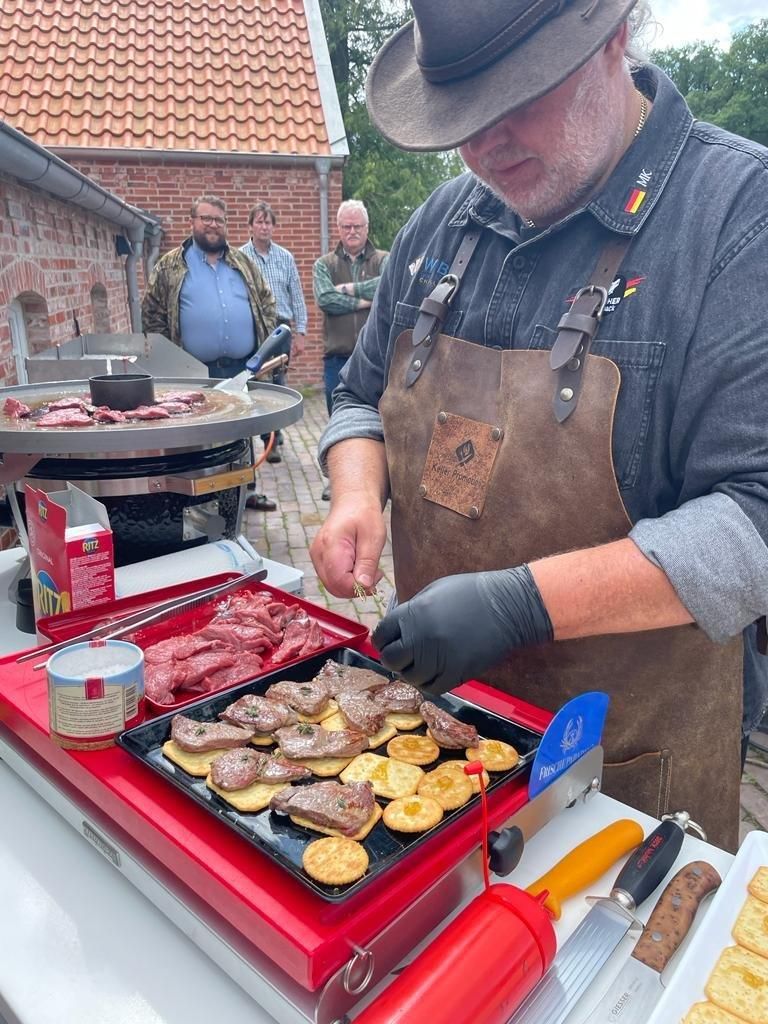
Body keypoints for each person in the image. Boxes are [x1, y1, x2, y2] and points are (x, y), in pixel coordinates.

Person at [309, 0, 768, 852]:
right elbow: (358, 398)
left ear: (614, 39)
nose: (485, 147)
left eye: (518, 100)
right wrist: (354, 494)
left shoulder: (740, 220)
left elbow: (756, 518)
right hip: (431, 753)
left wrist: (523, 604)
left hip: (627, 775)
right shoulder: (440, 226)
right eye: (465, 118)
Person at [142, 195, 278, 512]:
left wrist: (262, 343)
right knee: (198, 433)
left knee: (241, 431)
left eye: (218, 219)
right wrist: (172, 360)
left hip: (240, 368)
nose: (212, 225)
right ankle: (199, 494)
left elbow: (267, 303)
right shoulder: (170, 266)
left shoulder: (243, 263)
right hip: (193, 373)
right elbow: (151, 315)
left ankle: (246, 489)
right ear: (193, 222)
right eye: (206, 218)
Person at [313, 200, 389, 499]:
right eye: (347, 226)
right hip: (338, 357)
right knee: (339, 419)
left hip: (379, 358)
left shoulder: (384, 260)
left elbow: (389, 286)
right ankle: (339, 480)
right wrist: (366, 299)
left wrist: (347, 289)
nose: (353, 231)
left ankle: (381, 478)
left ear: (366, 228)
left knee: (384, 418)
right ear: (339, 229)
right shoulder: (325, 265)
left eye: (358, 226)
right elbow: (325, 300)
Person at [241, 201, 308, 465]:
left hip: (281, 328)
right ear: (251, 226)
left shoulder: (285, 257)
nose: (264, 226)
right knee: (260, 384)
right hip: (255, 326)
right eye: (259, 221)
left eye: (268, 222)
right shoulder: (241, 257)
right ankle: (267, 437)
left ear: (273, 227)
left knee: (279, 383)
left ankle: (276, 436)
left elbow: (298, 297)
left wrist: (300, 332)